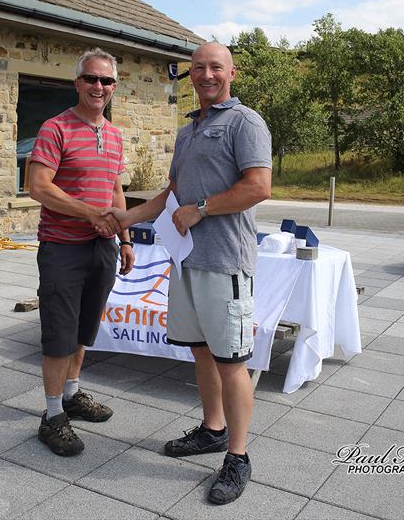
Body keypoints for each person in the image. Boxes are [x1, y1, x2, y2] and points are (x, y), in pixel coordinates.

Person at [101, 42, 271, 504]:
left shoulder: (245, 122)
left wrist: (201, 209)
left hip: (225, 263)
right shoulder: (189, 130)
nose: (207, 75)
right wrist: (126, 218)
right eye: (199, 68)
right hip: (187, 262)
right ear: (190, 75)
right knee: (200, 353)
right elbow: (172, 194)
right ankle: (213, 429)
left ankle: (238, 457)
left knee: (232, 362)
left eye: (216, 67)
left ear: (232, 72)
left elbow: (258, 187)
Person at [27, 48, 135, 457]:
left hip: (102, 249)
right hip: (62, 248)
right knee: (59, 333)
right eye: (91, 78)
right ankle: (52, 415)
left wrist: (123, 238)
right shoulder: (55, 128)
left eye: (106, 81)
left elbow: (113, 187)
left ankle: (72, 394)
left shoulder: (114, 133)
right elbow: (39, 186)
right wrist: (91, 214)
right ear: (77, 83)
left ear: (113, 87)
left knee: (85, 328)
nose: (98, 87)